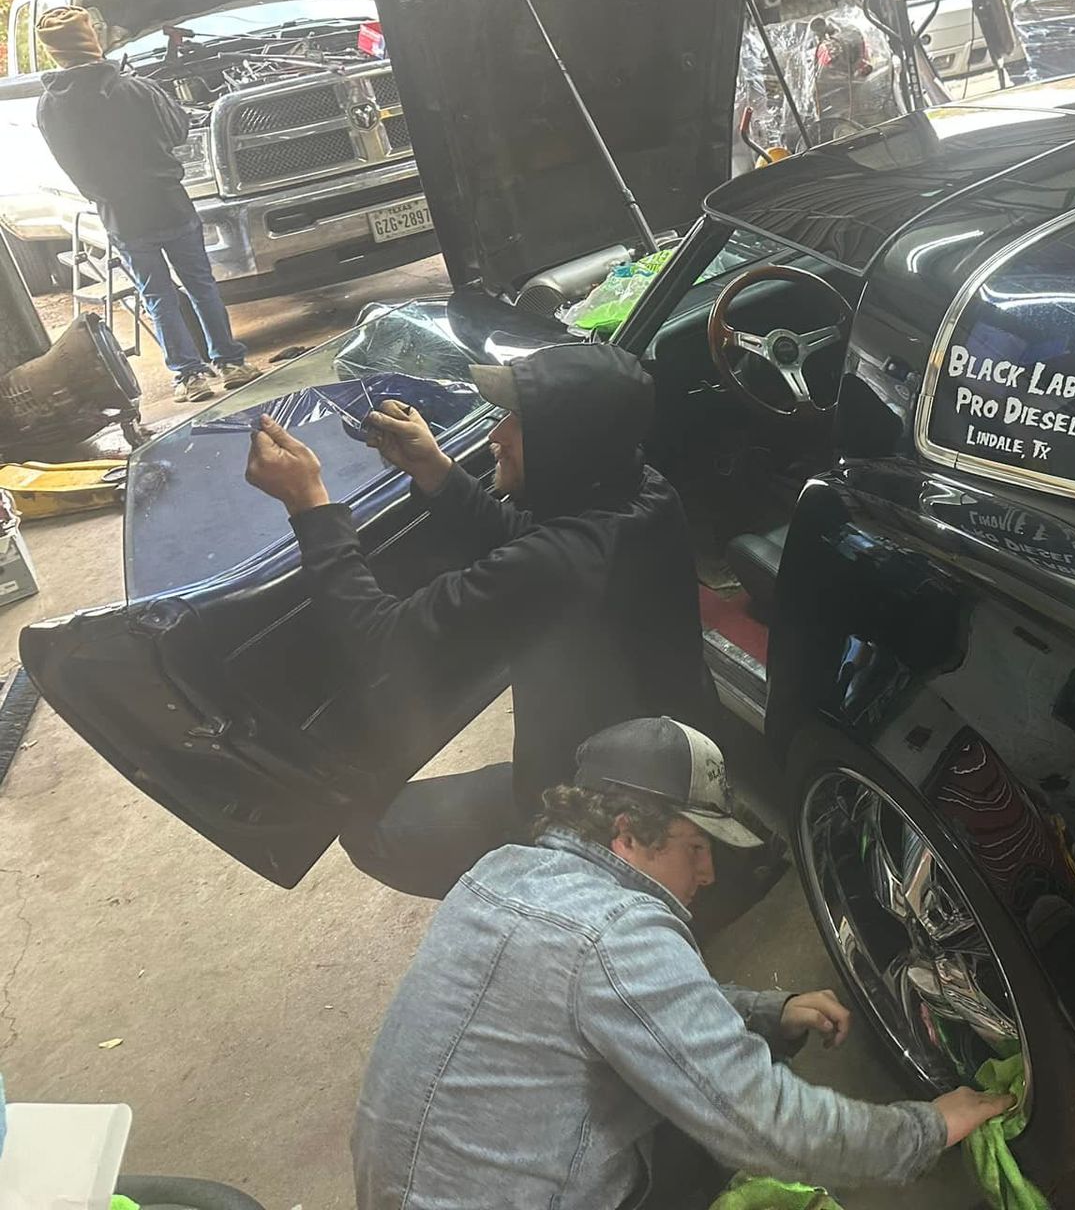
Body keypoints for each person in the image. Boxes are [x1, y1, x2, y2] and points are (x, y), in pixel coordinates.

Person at [352, 717, 1013, 1210]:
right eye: (694, 846)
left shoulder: (501, 871)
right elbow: (770, 1127)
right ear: (628, 833)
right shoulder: (617, 931)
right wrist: (928, 1129)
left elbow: (618, 1001)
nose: (707, 872)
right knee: (721, 1129)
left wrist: (763, 1012)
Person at [243, 340, 720, 898]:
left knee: (372, 831)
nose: (497, 435)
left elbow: (380, 640)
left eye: (517, 422)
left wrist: (311, 508)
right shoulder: (642, 490)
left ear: (565, 447)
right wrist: (434, 469)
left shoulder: (556, 563)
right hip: (663, 764)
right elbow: (534, 543)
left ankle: (567, 893)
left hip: (592, 802)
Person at [34, 5, 259, 403]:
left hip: (122, 215)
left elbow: (71, 165)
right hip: (168, 202)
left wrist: (104, 195)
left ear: (55, 52)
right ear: (92, 41)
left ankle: (190, 377)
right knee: (200, 284)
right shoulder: (134, 88)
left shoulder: (50, 107)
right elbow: (177, 129)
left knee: (157, 295)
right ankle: (230, 363)